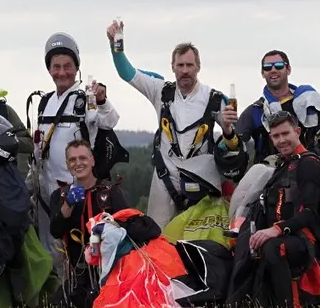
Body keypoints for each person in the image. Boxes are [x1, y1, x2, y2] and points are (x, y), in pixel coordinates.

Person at [106, 20, 247, 230]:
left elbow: (234, 146)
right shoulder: (161, 91)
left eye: (189, 65)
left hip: (202, 180)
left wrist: (227, 129)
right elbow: (128, 73)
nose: (185, 71)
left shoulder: (215, 99)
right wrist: (116, 44)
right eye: (180, 65)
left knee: (201, 244)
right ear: (172, 67)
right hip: (166, 178)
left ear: (198, 67)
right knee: (155, 239)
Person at [27, 32, 122, 275]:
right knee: (51, 245)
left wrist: (102, 99)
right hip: (48, 189)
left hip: (76, 190)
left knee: (80, 246)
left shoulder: (84, 98)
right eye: (56, 67)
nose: (61, 72)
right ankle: (60, 295)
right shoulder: (45, 101)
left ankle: (83, 294)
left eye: (67, 66)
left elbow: (109, 121)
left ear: (76, 67)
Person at [240, 111, 320, 308]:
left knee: (273, 247)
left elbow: (310, 213)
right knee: (243, 245)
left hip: (308, 241)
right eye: (276, 136)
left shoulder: (309, 164)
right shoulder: (284, 164)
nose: (281, 140)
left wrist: (276, 229)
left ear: (297, 131)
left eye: (285, 134)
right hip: (287, 235)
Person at [48, 139, 129, 308]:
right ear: (68, 165)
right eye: (72, 160)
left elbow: (127, 225)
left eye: (83, 158)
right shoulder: (61, 195)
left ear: (92, 161)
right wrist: (68, 204)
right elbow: (55, 230)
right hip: (77, 271)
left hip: (110, 271)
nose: (78, 163)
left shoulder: (110, 190)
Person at [235, 50, 320, 164]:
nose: (273, 70)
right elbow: (235, 147)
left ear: (288, 69)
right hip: (269, 175)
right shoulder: (255, 111)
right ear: (263, 73)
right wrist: (227, 130)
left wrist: (306, 157)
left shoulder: (308, 102)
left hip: (307, 170)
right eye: (267, 67)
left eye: (278, 66)